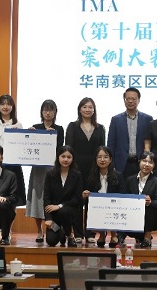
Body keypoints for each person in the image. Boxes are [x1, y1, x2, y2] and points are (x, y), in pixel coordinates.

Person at [65, 96, 105, 242]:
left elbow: (102, 150)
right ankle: (77, 233)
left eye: (90, 107)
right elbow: (69, 149)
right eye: (85, 107)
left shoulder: (100, 128)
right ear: (80, 109)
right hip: (76, 168)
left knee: (92, 201)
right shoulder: (72, 126)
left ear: (94, 110)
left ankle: (90, 233)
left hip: (94, 169)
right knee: (77, 200)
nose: (88, 109)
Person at [26, 99, 64, 243]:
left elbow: (60, 149)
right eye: (45, 110)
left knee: (52, 197)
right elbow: (28, 147)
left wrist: (52, 137)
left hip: (53, 168)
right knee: (38, 197)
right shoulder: (36, 127)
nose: (48, 113)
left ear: (55, 112)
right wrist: (29, 135)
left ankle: (53, 226)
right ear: (41, 112)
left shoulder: (59, 129)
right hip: (38, 170)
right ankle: (39, 230)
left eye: (51, 110)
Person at [0, 95, 25, 206]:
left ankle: (11, 218)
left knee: (12, 197)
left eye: (8, 104)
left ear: (13, 107)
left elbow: (22, 145)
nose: (5, 107)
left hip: (12, 164)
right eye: (2, 104)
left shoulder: (18, 125)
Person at [82, 146, 125, 247]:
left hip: (113, 207)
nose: (102, 160)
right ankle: (101, 234)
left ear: (110, 159)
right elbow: (86, 194)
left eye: (105, 157)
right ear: (95, 159)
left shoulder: (118, 175)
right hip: (98, 209)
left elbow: (122, 193)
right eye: (99, 157)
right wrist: (84, 195)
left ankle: (114, 234)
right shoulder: (91, 176)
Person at [107, 87, 154, 179]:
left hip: (141, 163)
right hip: (121, 164)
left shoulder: (147, 119)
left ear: (139, 100)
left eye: (133, 99)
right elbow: (111, 144)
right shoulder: (116, 119)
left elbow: (151, 141)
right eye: (127, 99)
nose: (130, 101)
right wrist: (111, 165)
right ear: (124, 100)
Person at [44, 145, 83, 247]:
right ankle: (62, 231)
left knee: (63, 211)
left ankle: (70, 236)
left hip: (70, 210)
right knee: (51, 241)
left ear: (73, 159)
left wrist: (60, 206)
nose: (66, 159)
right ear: (58, 157)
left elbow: (77, 199)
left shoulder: (77, 175)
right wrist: (48, 218)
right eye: (63, 156)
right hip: (54, 213)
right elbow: (46, 198)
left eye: (69, 157)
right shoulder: (50, 174)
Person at [125, 151, 157, 248]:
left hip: (151, 217)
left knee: (147, 206)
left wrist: (150, 202)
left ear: (154, 165)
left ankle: (147, 237)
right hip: (133, 214)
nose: (147, 164)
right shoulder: (130, 180)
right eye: (144, 161)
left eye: (150, 162)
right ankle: (125, 236)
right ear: (139, 162)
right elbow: (125, 198)